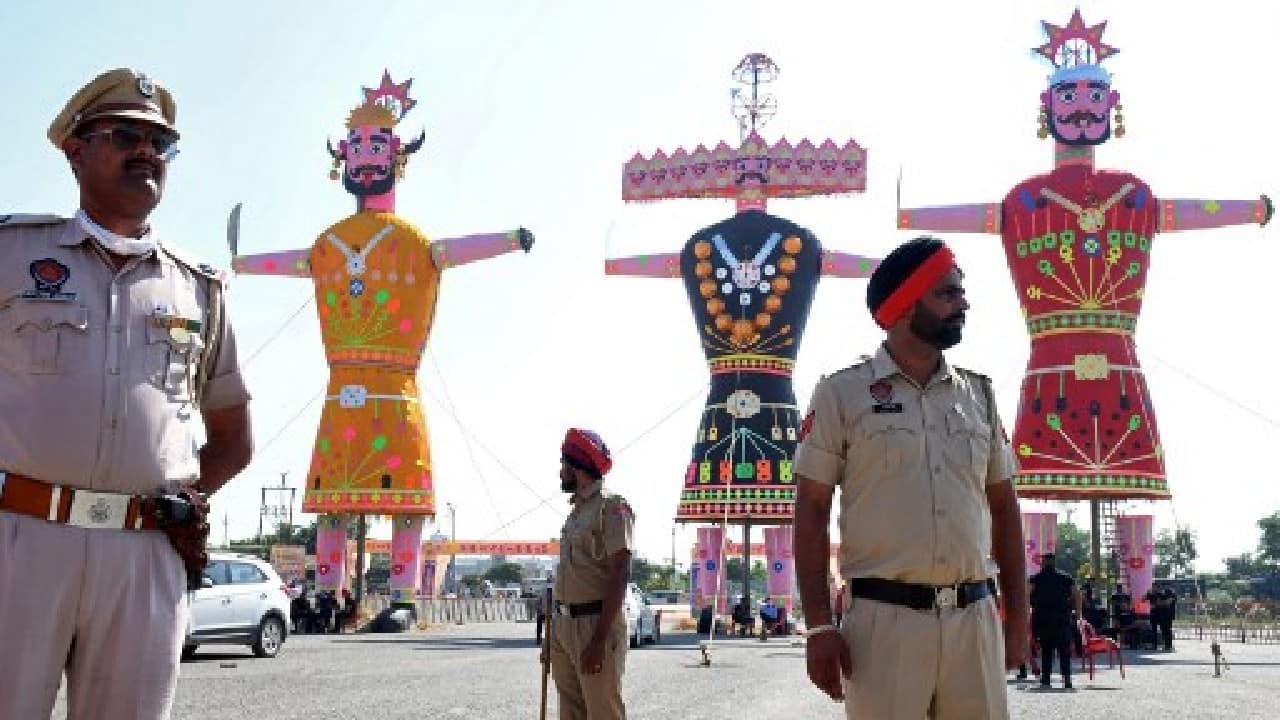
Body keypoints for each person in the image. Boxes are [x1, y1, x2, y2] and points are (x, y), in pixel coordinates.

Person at [0, 68, 253, 720]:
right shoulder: (10, 254)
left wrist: (185, 500)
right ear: (75, 149)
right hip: (19, 538)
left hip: (144, 553)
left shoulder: (199, 289)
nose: (147, 151)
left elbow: (233, 440)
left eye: (161, 144)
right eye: (126, 134)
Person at [793, 236, 1029, 719]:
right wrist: (819, 627)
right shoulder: (843, 393)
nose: (963, 303)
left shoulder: (979, 394)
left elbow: (1004, 507)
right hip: (884, 626)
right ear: (903, 306)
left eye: (960, 291)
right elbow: (812, 511)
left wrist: (1019, 618)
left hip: (975, 619)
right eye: (947, 293)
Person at [542, 428, 634, 720]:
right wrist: (553, 636)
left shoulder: (612, 506)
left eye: (563, 464)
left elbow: (620, 572)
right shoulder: (575, 511)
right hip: (563, 624)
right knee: (570, 714)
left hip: (595, 626)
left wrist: (598, 641)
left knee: (603, 714)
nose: (560, 471)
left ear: (576, 466)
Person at [1029, 553, 1079, 688]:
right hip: (1062, 618)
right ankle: (1067, 679)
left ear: (1043, 563)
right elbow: (1077, 594)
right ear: (1054, 562)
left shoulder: (1036, 579)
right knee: (1064, 650)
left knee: (1046, 650)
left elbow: (1027, 594)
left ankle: (1046, 678)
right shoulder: (1066, 578)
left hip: (1043, 618)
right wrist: (1078, 614)